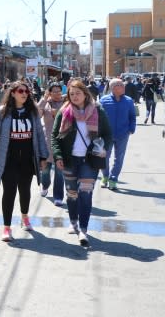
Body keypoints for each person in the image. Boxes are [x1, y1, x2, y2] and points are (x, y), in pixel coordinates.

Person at [0, 80, 49, 242]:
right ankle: (6, 228)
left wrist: (43, 156)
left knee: (25, 190)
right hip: (8, 160)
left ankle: (25, 217)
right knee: (9, 192)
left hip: (27, 159)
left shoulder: (32, 112)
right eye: (21, 91)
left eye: (26, 91)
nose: (24, 94)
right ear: (12, 93)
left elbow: (40, 135)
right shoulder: (2, 112)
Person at [52, 80, 112, 246]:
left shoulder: (97, 110)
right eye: (71, 94)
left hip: (89, 161)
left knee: (85, 195)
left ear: (85, 94)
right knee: (72, 194)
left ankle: (83, 230)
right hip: (69, 160)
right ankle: (73, 222)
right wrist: (57, 156)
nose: (75, 97)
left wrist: (103, 147)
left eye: (78, 93)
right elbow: (55, 136)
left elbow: (108, 134)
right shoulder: (64, 111)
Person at [99, 78, 137, 190]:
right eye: (120, 85)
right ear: (113, 88)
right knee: (104, 157)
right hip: (107, 135)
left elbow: (132, 117)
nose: (123, 86)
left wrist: (131, 129)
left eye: (122, 84)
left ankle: (113, 179)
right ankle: (105, 176)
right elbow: (98, 117)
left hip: (123, 134)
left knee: (119, 158)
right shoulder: (103, 100)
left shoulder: (129, 101)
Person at [36, 82, 66, 206]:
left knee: (60, 171)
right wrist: (44, 99)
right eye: (54, 91)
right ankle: (45, 185)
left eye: (59, 91)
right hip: (47, 141)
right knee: (45, 170)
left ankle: (58, 196)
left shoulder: (66, 102)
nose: (57, 93)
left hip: (62, 141)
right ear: (49, 92)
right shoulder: (46, 104)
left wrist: (58, 112)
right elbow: (37, 114)